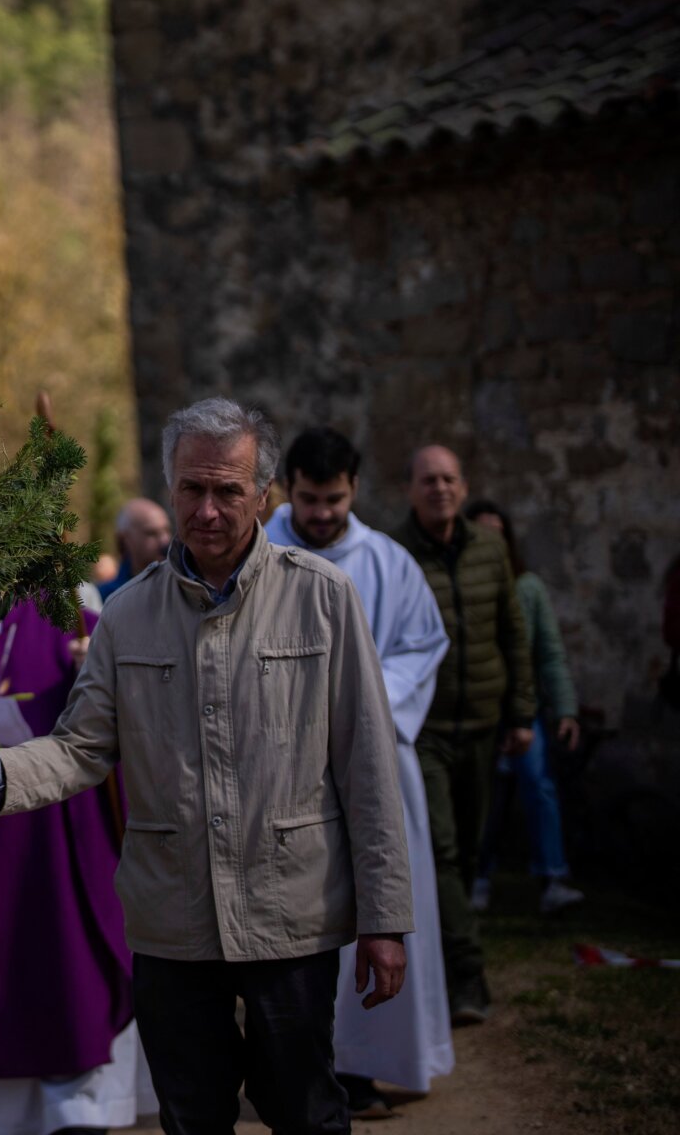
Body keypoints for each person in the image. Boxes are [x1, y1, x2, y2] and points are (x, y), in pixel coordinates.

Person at [0, 397, 413, 1135]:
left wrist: (385, 919)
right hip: (173, 922)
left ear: (264, 494)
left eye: (229, 490)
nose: (209, 510)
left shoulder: (324, 599)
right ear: (170, 488)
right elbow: (79, 748)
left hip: (293, 915)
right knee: (192, 1117)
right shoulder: (127, 616)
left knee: (306, 1111)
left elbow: (367, 765)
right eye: (192, 489)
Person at [269, 426, 454, 1117]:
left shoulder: (388, 563)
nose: (322, 514)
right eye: (310, 499)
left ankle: (369, 1065)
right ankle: (294, 1066)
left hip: (374, 762)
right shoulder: (261, 553)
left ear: (355, 490)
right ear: (288, 488)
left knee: (379, 909)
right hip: (281, 765)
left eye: (335, 499)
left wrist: (363, 708)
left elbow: (422, 645)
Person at [0, 600, 158, 1135]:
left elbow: (133, 740)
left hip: (60, 839)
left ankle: (78, 1116)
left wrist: (86, 682)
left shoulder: (77, 624)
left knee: (69, 975)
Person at [392, 446, 535, 1026]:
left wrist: (521, 712)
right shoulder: (396, 555)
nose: (440, 489)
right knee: (444, 852)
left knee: (470, 852)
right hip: (424, 730)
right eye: (428, 480)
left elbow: (512, 630)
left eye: (449, 479)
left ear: (463, 485)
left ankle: (453, 959)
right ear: (411, 490)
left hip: (482, 723)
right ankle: (467, 973)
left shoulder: (490, 548)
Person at [464, 498, 584, 916]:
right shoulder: (463, 585)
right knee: (485, 797)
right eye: (482, 533)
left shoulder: (526, 588)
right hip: (479, 712)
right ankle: (477, 875)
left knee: (539, 785)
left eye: (498, 533)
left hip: (522, 710)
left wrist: (565, 709)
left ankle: (552, 876)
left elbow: (549, 653)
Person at [97, 498, 171, 602]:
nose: (165, 541)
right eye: (151, 533)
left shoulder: (182, 587)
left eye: (167, 531)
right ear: (124, 539)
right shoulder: (105, 597)